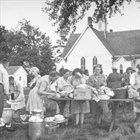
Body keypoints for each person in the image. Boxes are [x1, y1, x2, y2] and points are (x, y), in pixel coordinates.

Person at [0, 59, 9, 126]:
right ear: (5, 63)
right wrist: (7, 93)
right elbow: (5, 82)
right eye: (8, 64)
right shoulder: (3, 70)